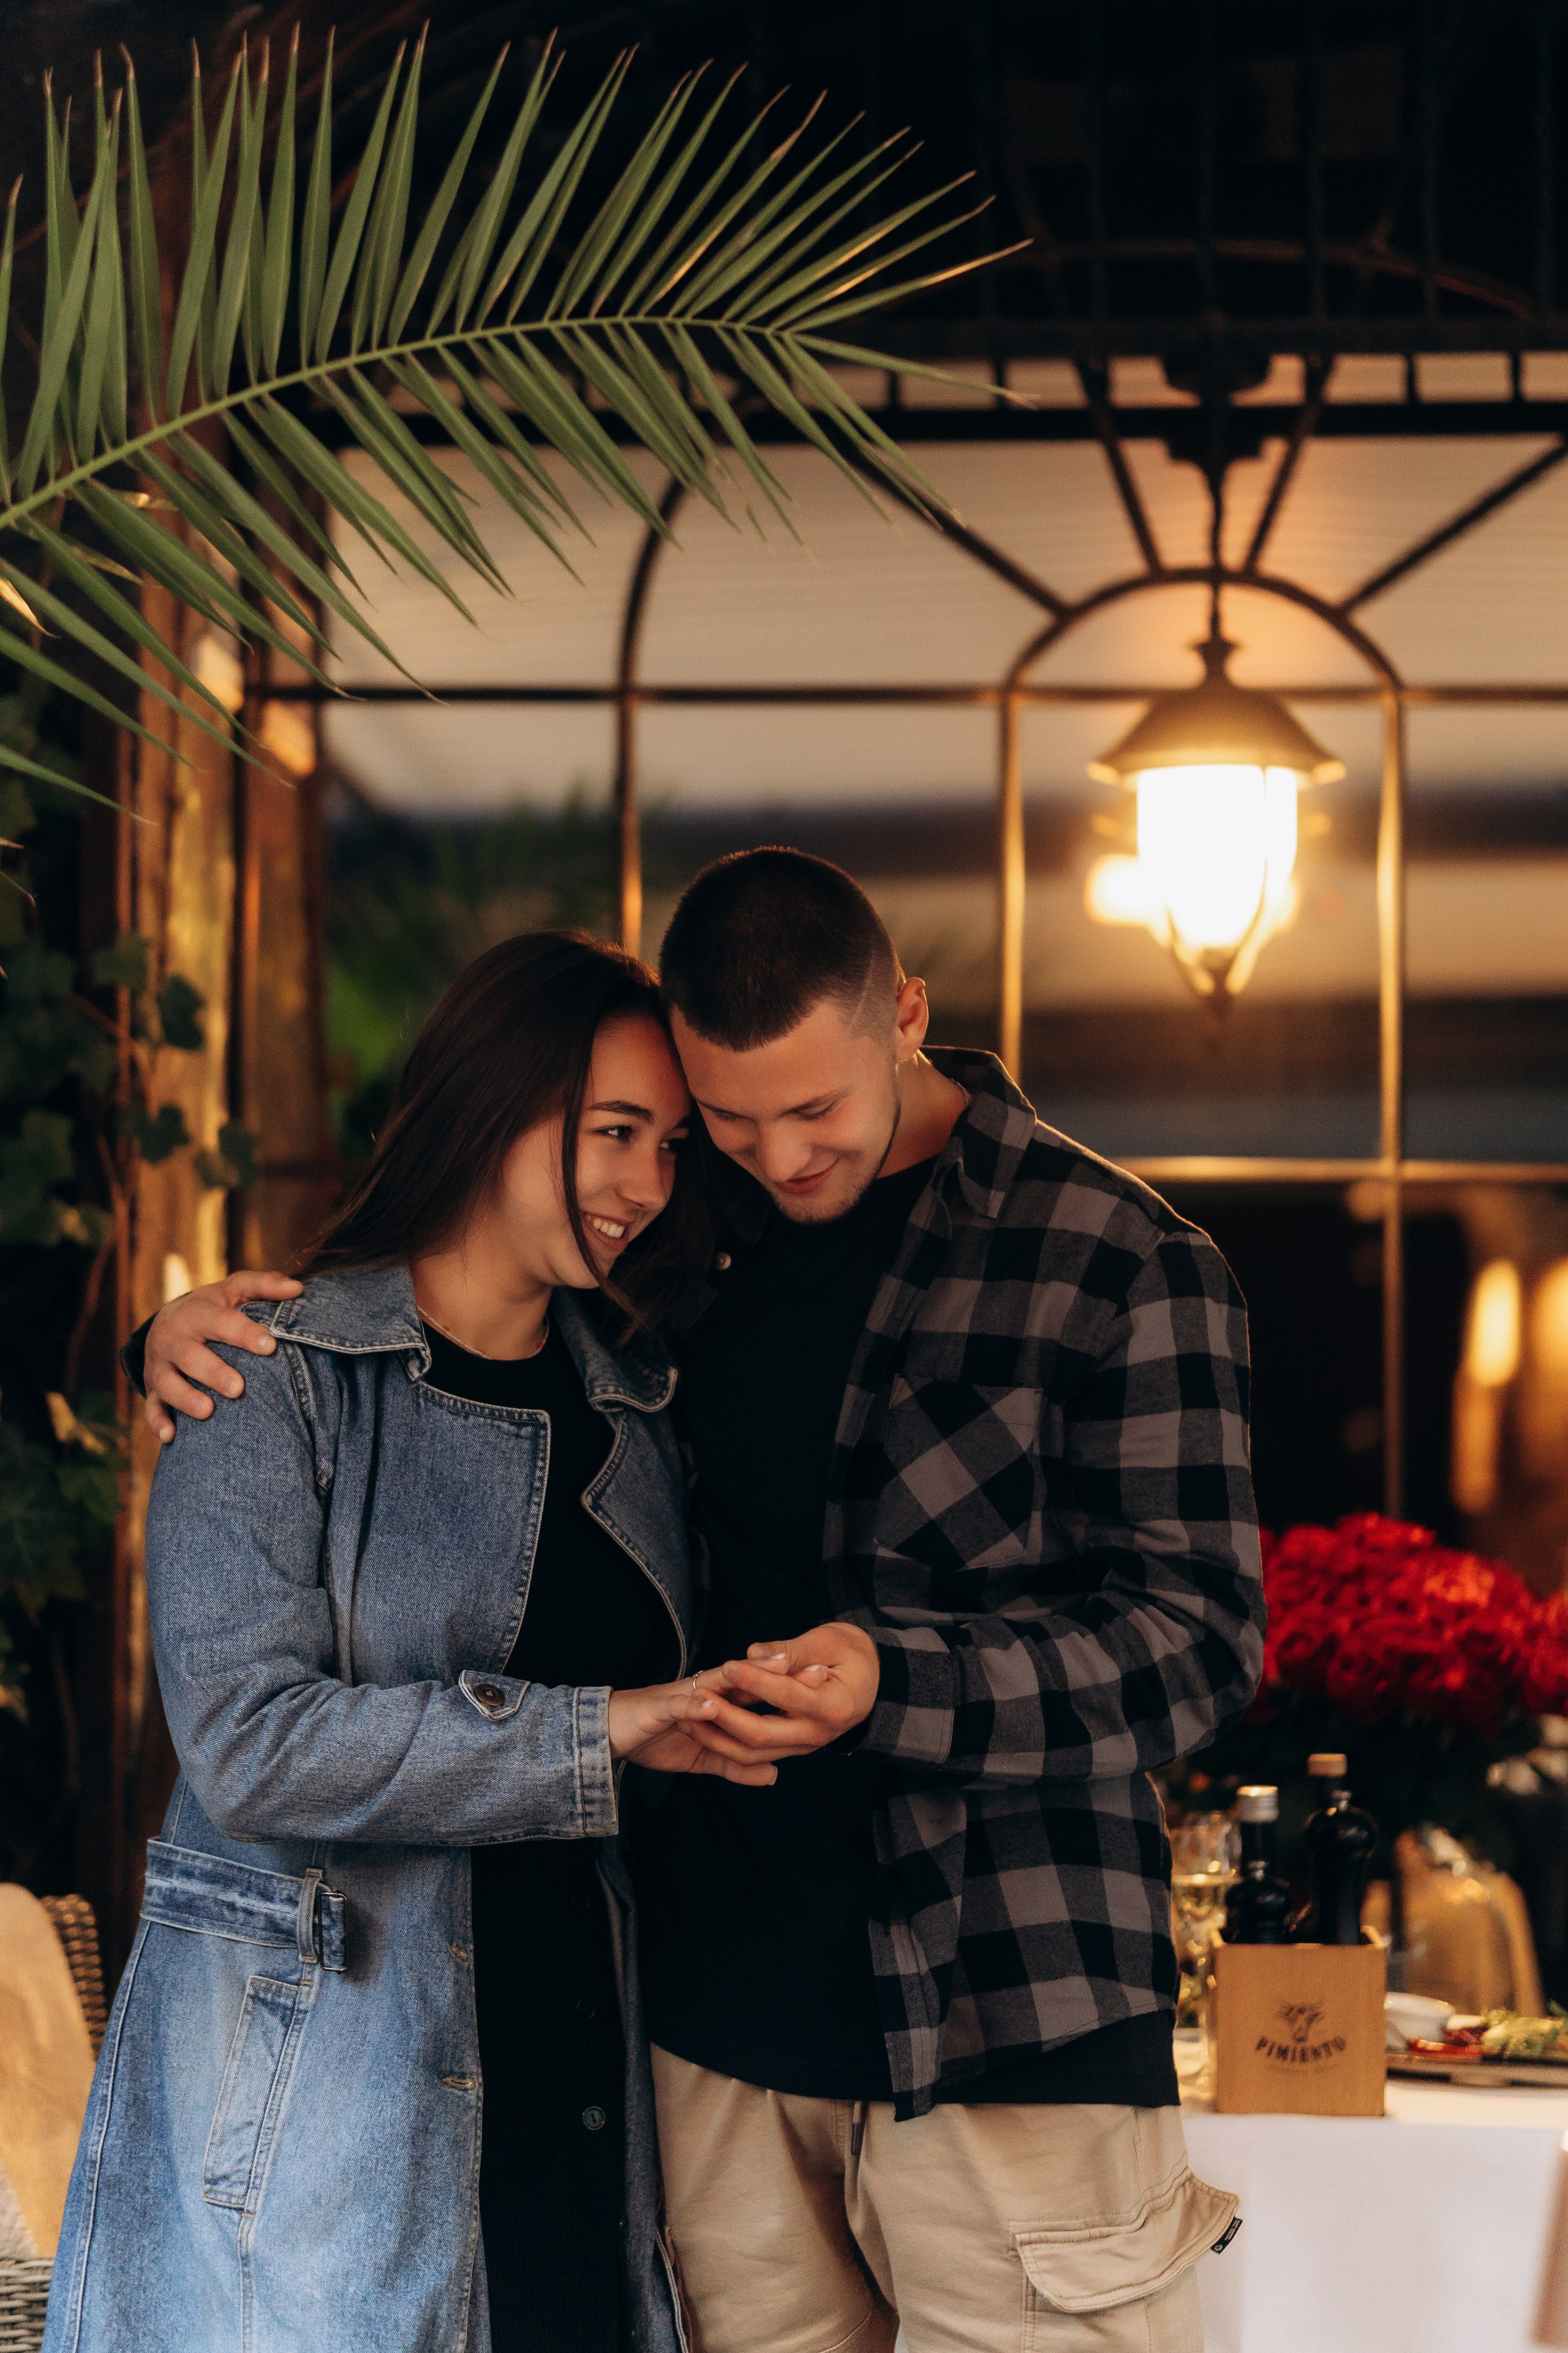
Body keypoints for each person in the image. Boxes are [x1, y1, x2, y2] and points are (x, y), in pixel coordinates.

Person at [136, 850, 1263, 2353]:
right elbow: (441, 1341)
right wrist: (171, 1336)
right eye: (717, 1117)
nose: (775, 1155)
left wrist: (894, 1679)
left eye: (814, 1110)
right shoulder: (681, 1249)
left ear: (905, 1015)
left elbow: (1196, 1643)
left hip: (1011, 2012)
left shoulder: (1122, 1261)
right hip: (714, 2031)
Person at [46, 932, 833, 2353]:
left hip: (583, 2083)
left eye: (664, 1144)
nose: (644, 1186)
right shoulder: (271, 1377)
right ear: (490, 1100)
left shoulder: (643, 1415)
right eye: (609, 1132)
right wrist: (602, 1726)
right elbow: (249, 1747)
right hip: (331, 2133)